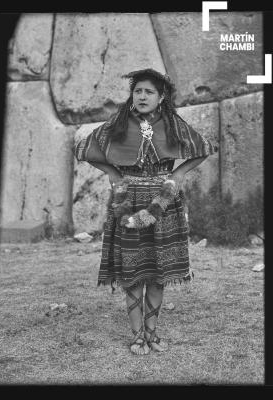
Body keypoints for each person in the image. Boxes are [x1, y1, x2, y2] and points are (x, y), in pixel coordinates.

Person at [74, 68, 218, 355]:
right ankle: (137, 336)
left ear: (160, 96)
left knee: (157, 271)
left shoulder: (173, 124)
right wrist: (114, 174)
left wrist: (177, 175)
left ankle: (152, 333)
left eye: (148, 92)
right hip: (128, 199)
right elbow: (84, 148)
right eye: (137, 91)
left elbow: (203, 147)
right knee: (132, 271)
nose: (141, 96)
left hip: (164, 206)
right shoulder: (118, 123)